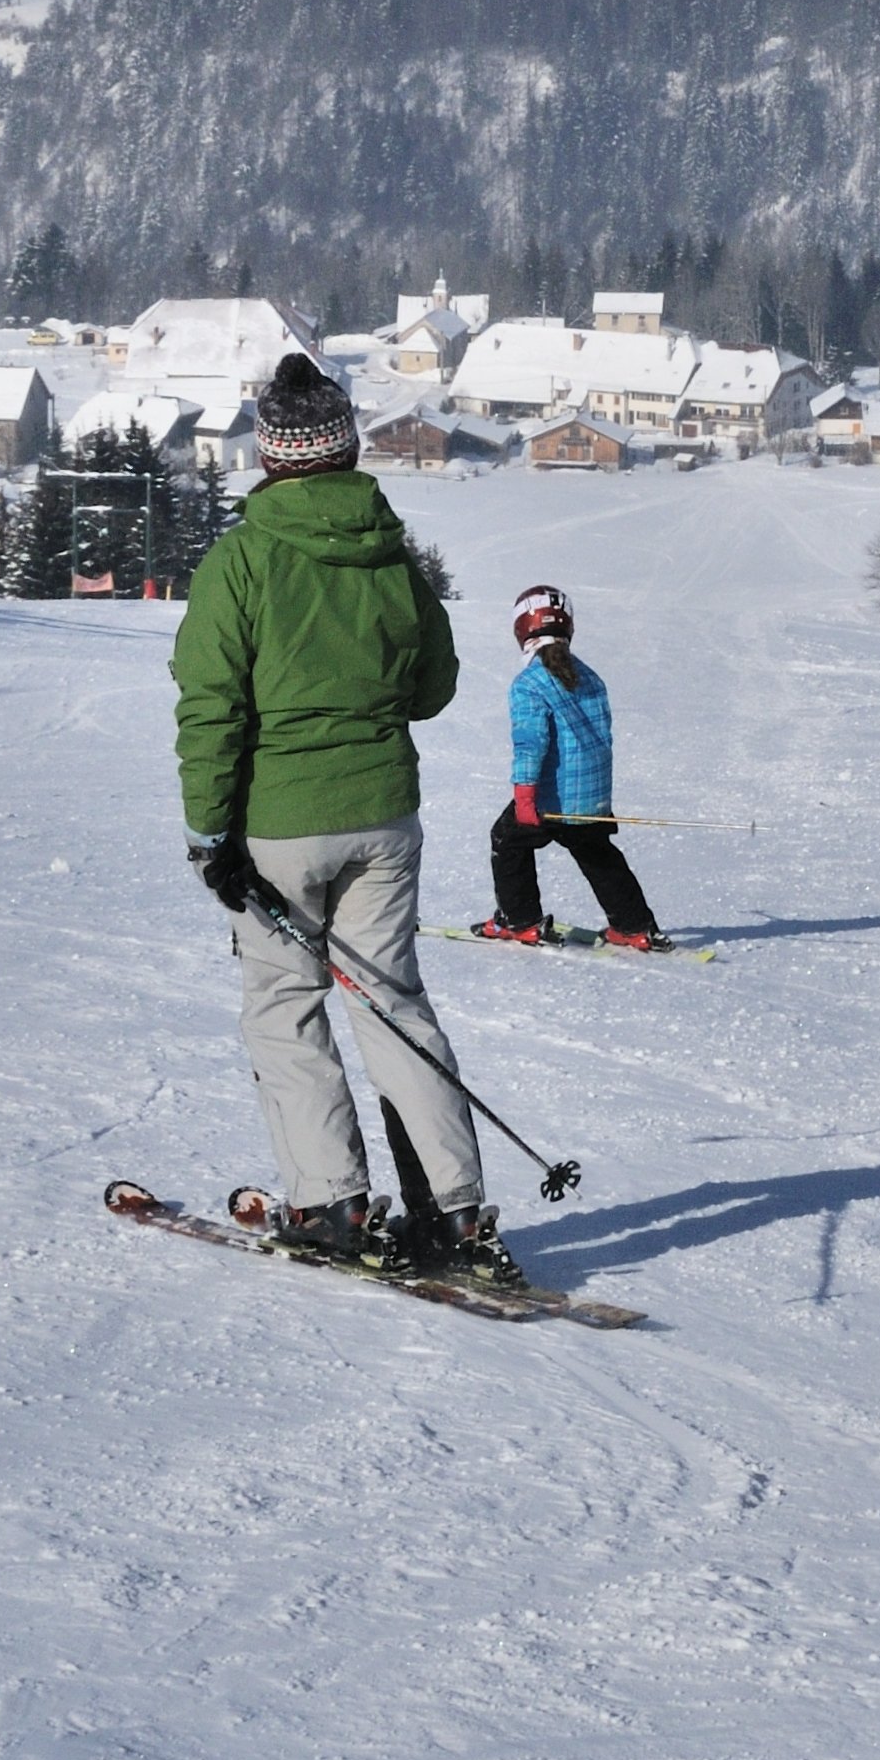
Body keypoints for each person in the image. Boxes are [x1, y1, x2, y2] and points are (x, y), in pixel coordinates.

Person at [173, 353, 525, 1290]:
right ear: (344, 444)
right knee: (394, 1005)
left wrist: (212, 833)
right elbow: (435, 685)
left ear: (272, 451)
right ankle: (453, 1211)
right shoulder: (389, 553)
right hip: (384, 817)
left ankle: (330, 1200)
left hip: (280, 826)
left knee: (287, 1007)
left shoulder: (242, 559)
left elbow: (212, 705)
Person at [477, 585, 672, 952]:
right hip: (591, 795)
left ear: (522, 627)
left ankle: (520, 920)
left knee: (507, 840)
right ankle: (633, 926)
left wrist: (524, 795)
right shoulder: (590, 676)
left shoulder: (530, 684)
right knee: (596, 852)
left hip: (553, 797)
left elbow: (530, 744)